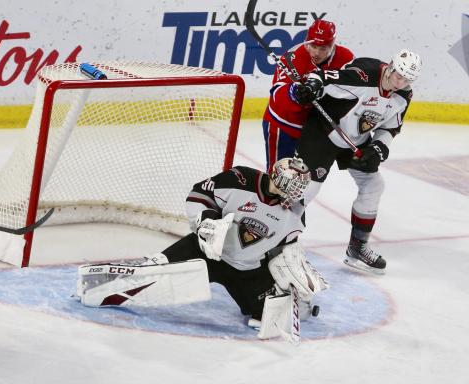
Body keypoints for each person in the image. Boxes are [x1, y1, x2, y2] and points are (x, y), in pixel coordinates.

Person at [78, 158, 329, 334]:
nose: (296, 193)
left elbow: (283, 248)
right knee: (154, 272)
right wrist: (206, 220)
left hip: (247, 269)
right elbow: (199, 195)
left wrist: (294, 276)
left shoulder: (295, 212)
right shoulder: (240, 178)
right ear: (277, 176)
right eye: (292, 186)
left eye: (299, 188)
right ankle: (104, 285)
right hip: (206, 252)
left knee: (272, 313)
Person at [291, 49, 422, 274]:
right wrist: (311, 87)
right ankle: (279, 241)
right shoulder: (364, 75)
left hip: (356, 139)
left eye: (407, 79)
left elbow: (390, 127)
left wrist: (379, 148)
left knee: (373, 185)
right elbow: (323, 77)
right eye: (399, 76)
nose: (400, 83)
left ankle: (358, 247)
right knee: (307, 188)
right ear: (391, 66)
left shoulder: (404, 95)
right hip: (323, 131)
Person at [262, 19, 354, 171]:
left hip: (315, 129)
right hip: (284, 125)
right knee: (278, 179)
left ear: (333, 44)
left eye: (323, 48)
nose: (317, 53)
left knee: (303, 181)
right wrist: (294, 93)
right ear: (307, 42)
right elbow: (277, 94)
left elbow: (352, 90)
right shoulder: (292, 57)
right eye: (313, 46)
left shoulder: (346, 59)